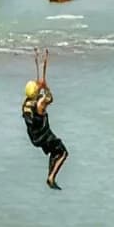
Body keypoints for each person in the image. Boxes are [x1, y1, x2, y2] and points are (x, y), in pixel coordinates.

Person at [22, 50, 68, 190]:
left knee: (54, 152)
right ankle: (51, 177)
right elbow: (50, 99)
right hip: (44, 136)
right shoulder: (40, 103)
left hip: (35, 137)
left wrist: (39, 82)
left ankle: (50, 176)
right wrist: (46, 87)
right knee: (63, 152)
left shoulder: (26, 104)